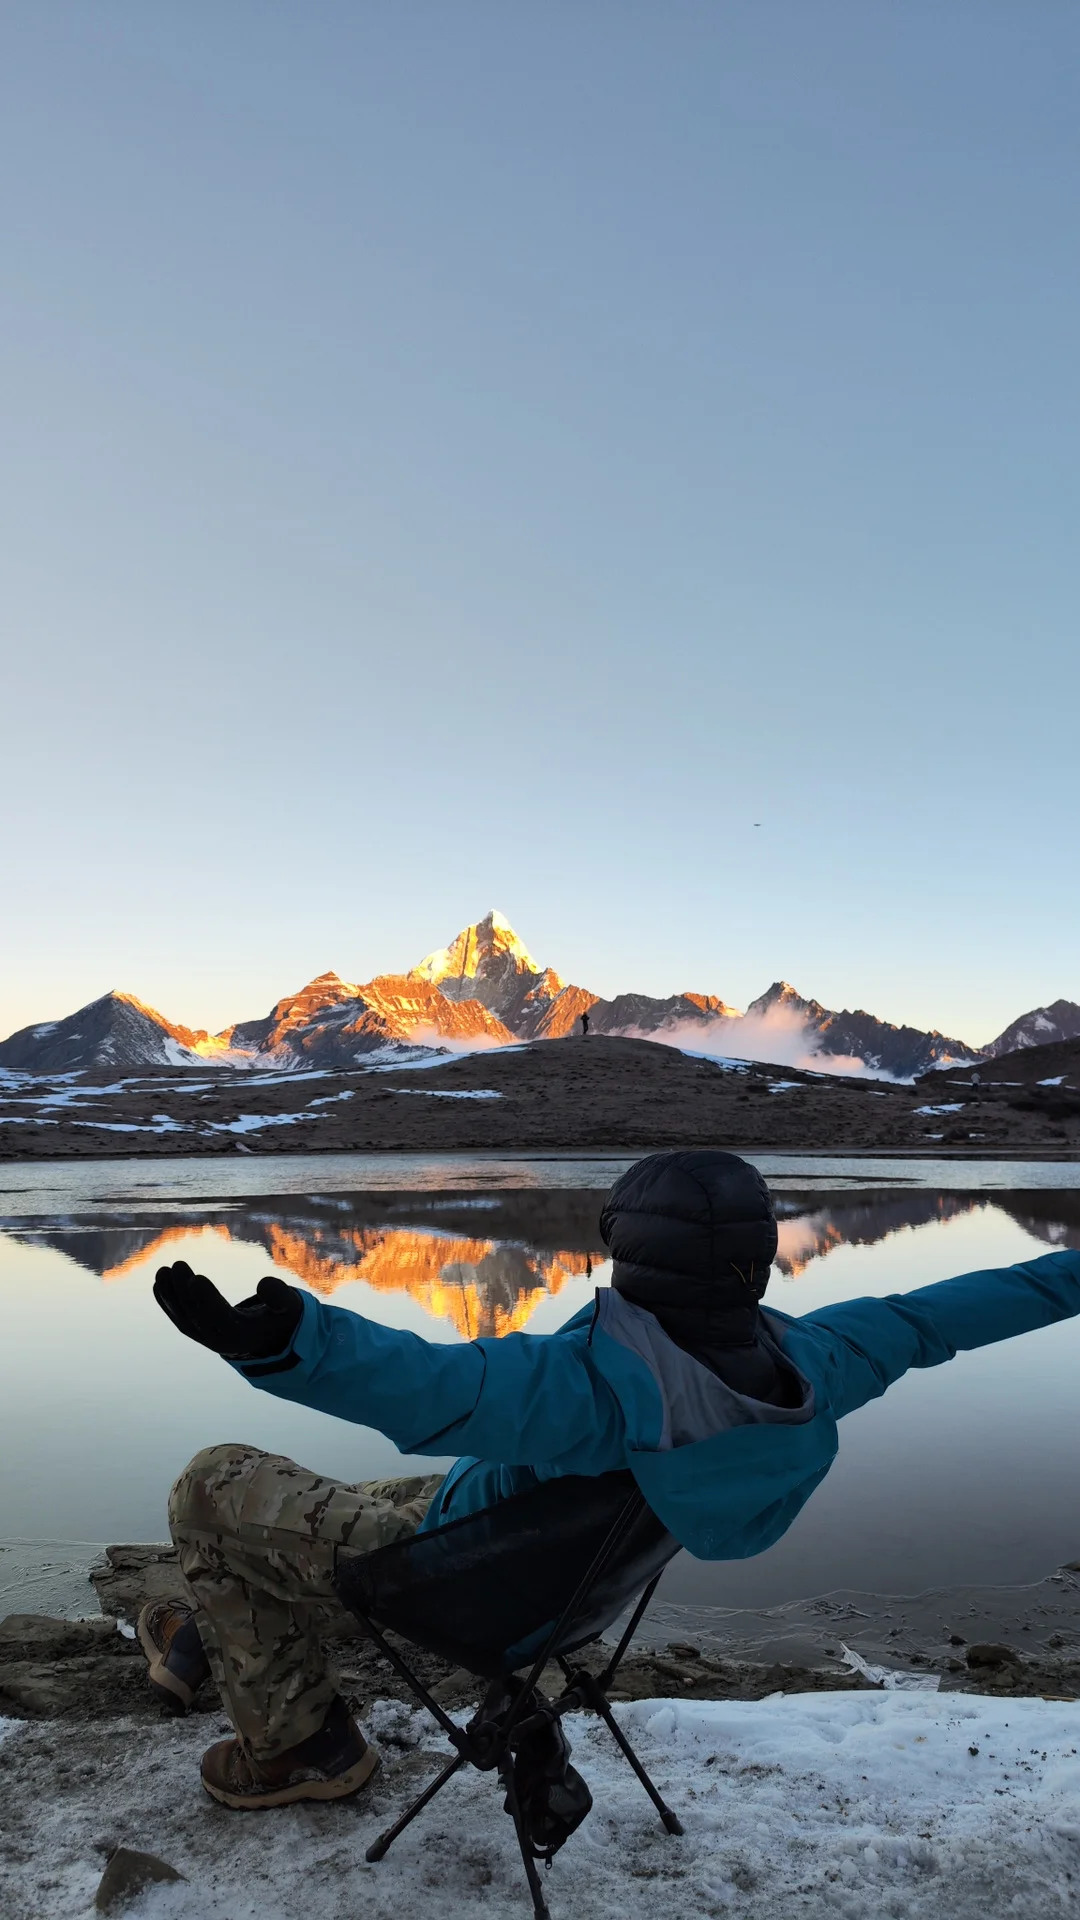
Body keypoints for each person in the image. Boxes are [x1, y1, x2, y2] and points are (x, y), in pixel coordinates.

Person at [144, 1149, 1080, 1811]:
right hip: (562, 1590)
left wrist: (291, 1343)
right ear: (757, 1256)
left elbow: (438, 1387)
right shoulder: (813, 1364)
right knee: (342, 1503)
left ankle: (301, 1749)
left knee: (214, 1482)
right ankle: (210, 1640)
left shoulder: (596, 1386)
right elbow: (936, 1316)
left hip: (456, 1584)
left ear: (624, 1242)